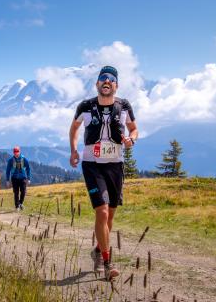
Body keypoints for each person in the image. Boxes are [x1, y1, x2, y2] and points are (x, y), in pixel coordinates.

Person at [68, 65, 138, 281]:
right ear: (97, 84)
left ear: (116, 85)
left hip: (115, 166)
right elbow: (74, 128)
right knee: (103, 212)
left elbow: (134, 128)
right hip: (92, 165)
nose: (106, 81)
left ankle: (98, 250)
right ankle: (107, 263)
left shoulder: (124, 105)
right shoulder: (86, 106)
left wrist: (131, 139)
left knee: (110, 218)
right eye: (102, 79)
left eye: (111, 79)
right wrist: (73, 151)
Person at [5, 146, 31, 211]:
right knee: (16, 193)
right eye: (15, 152)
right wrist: (7, 180)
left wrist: (29, 178)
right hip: (14, 178)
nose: (16, 153)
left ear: (19, 151)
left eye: (17, 151)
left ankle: (20, 203)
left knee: (23, 191)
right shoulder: (10, 160)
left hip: (23, 178)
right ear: (13, 152)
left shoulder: (24, 159)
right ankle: (17, 207)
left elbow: (28, 168)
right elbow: (8, 170)